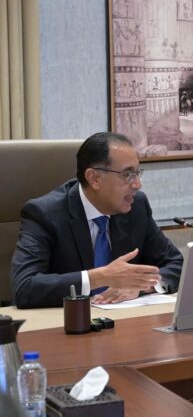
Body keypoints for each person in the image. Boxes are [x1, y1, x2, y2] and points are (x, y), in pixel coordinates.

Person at [11, 132, 183, 309]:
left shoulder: (136, 207)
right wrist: (101, 277)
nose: (138, 184)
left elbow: (176, 264)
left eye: (138, 173)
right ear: (94, 178)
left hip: (124, 319)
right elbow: (24, 288)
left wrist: (142, 286)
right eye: (128, 174)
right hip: (67, 320)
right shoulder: (45, 214)